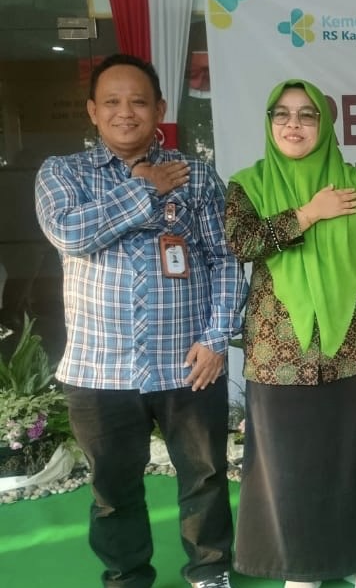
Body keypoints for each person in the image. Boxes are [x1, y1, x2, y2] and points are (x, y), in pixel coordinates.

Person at [34, 53, 246, 588]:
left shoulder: (196, 175)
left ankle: (209, 569)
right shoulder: (63, 173)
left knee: (204, 477)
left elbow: (224, 261)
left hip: (188, 363)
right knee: (113, 488)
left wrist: (216, 339)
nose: (125, 112)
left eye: (138, 101)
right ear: (92, 110)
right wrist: (146, 186)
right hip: (100, 369)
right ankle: (127, 575)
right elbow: (70, 234)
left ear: (160, 108)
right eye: (112, 101)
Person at [224, 79, 356, 588]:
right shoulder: (248, 185)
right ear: (269, 123)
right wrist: (309, 213)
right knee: (290, 464)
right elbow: (243, 243)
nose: (294, 124)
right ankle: (302, 568)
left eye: (307, 115)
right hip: (279, 354)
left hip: (354, 351)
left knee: (352, 456)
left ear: (324, 124)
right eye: (282, 114)